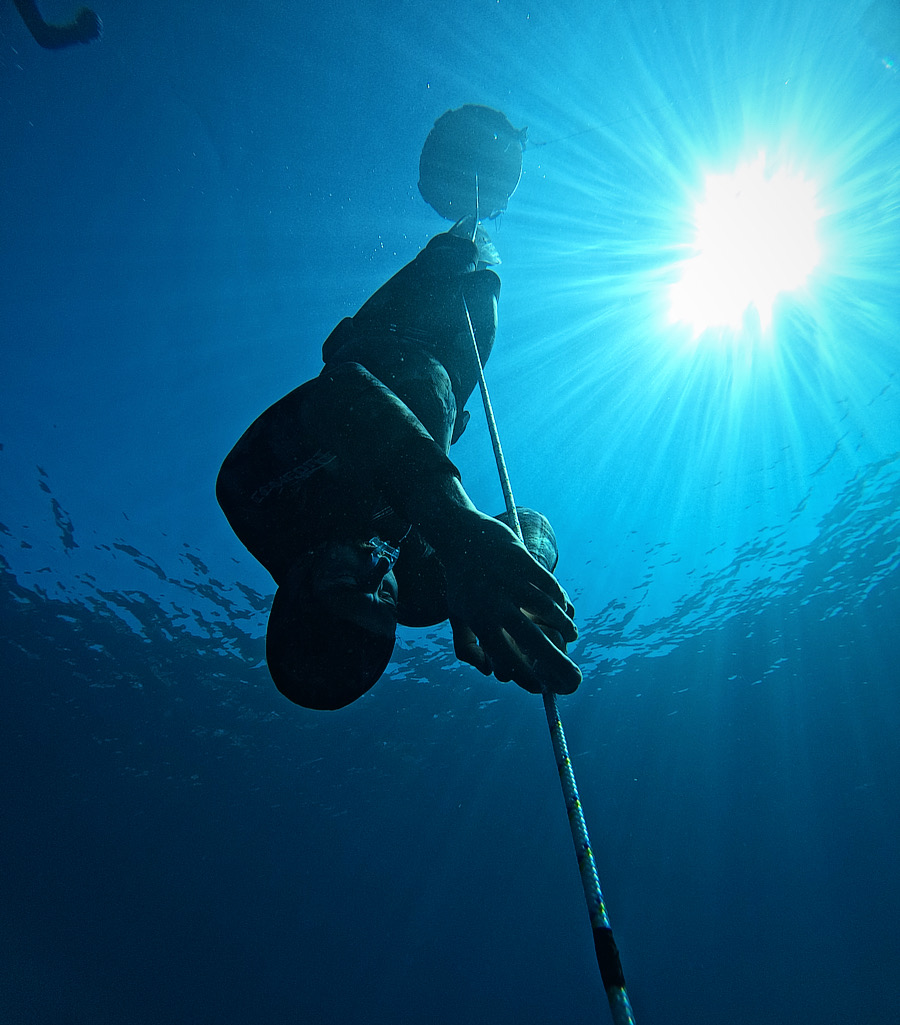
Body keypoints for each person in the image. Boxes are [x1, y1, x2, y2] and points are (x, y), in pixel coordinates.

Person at [217, 216, 581, 710]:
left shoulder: (256, 499)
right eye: (383, 604)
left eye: (348, 587)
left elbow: (344, 393)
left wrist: (454, 529)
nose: (378, 571)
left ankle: (473, 200)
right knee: (488, 282)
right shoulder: (426, 594)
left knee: (456, 249)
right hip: (454, 372)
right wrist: (525, 574)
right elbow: (531, 522)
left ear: (297, 585)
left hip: (386, 329)